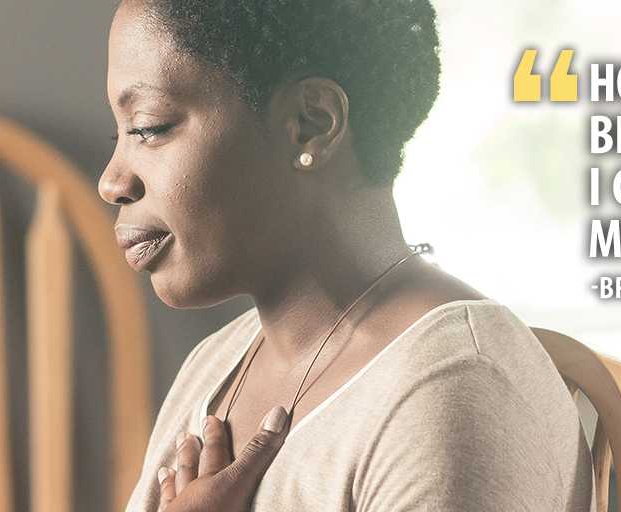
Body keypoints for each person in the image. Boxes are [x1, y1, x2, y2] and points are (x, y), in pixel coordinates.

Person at [99, 0, 595, 510]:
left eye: (148, 128)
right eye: (119, 134)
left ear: (311, 123)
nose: (112, 182)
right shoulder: (215, 365)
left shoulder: (454, 390)